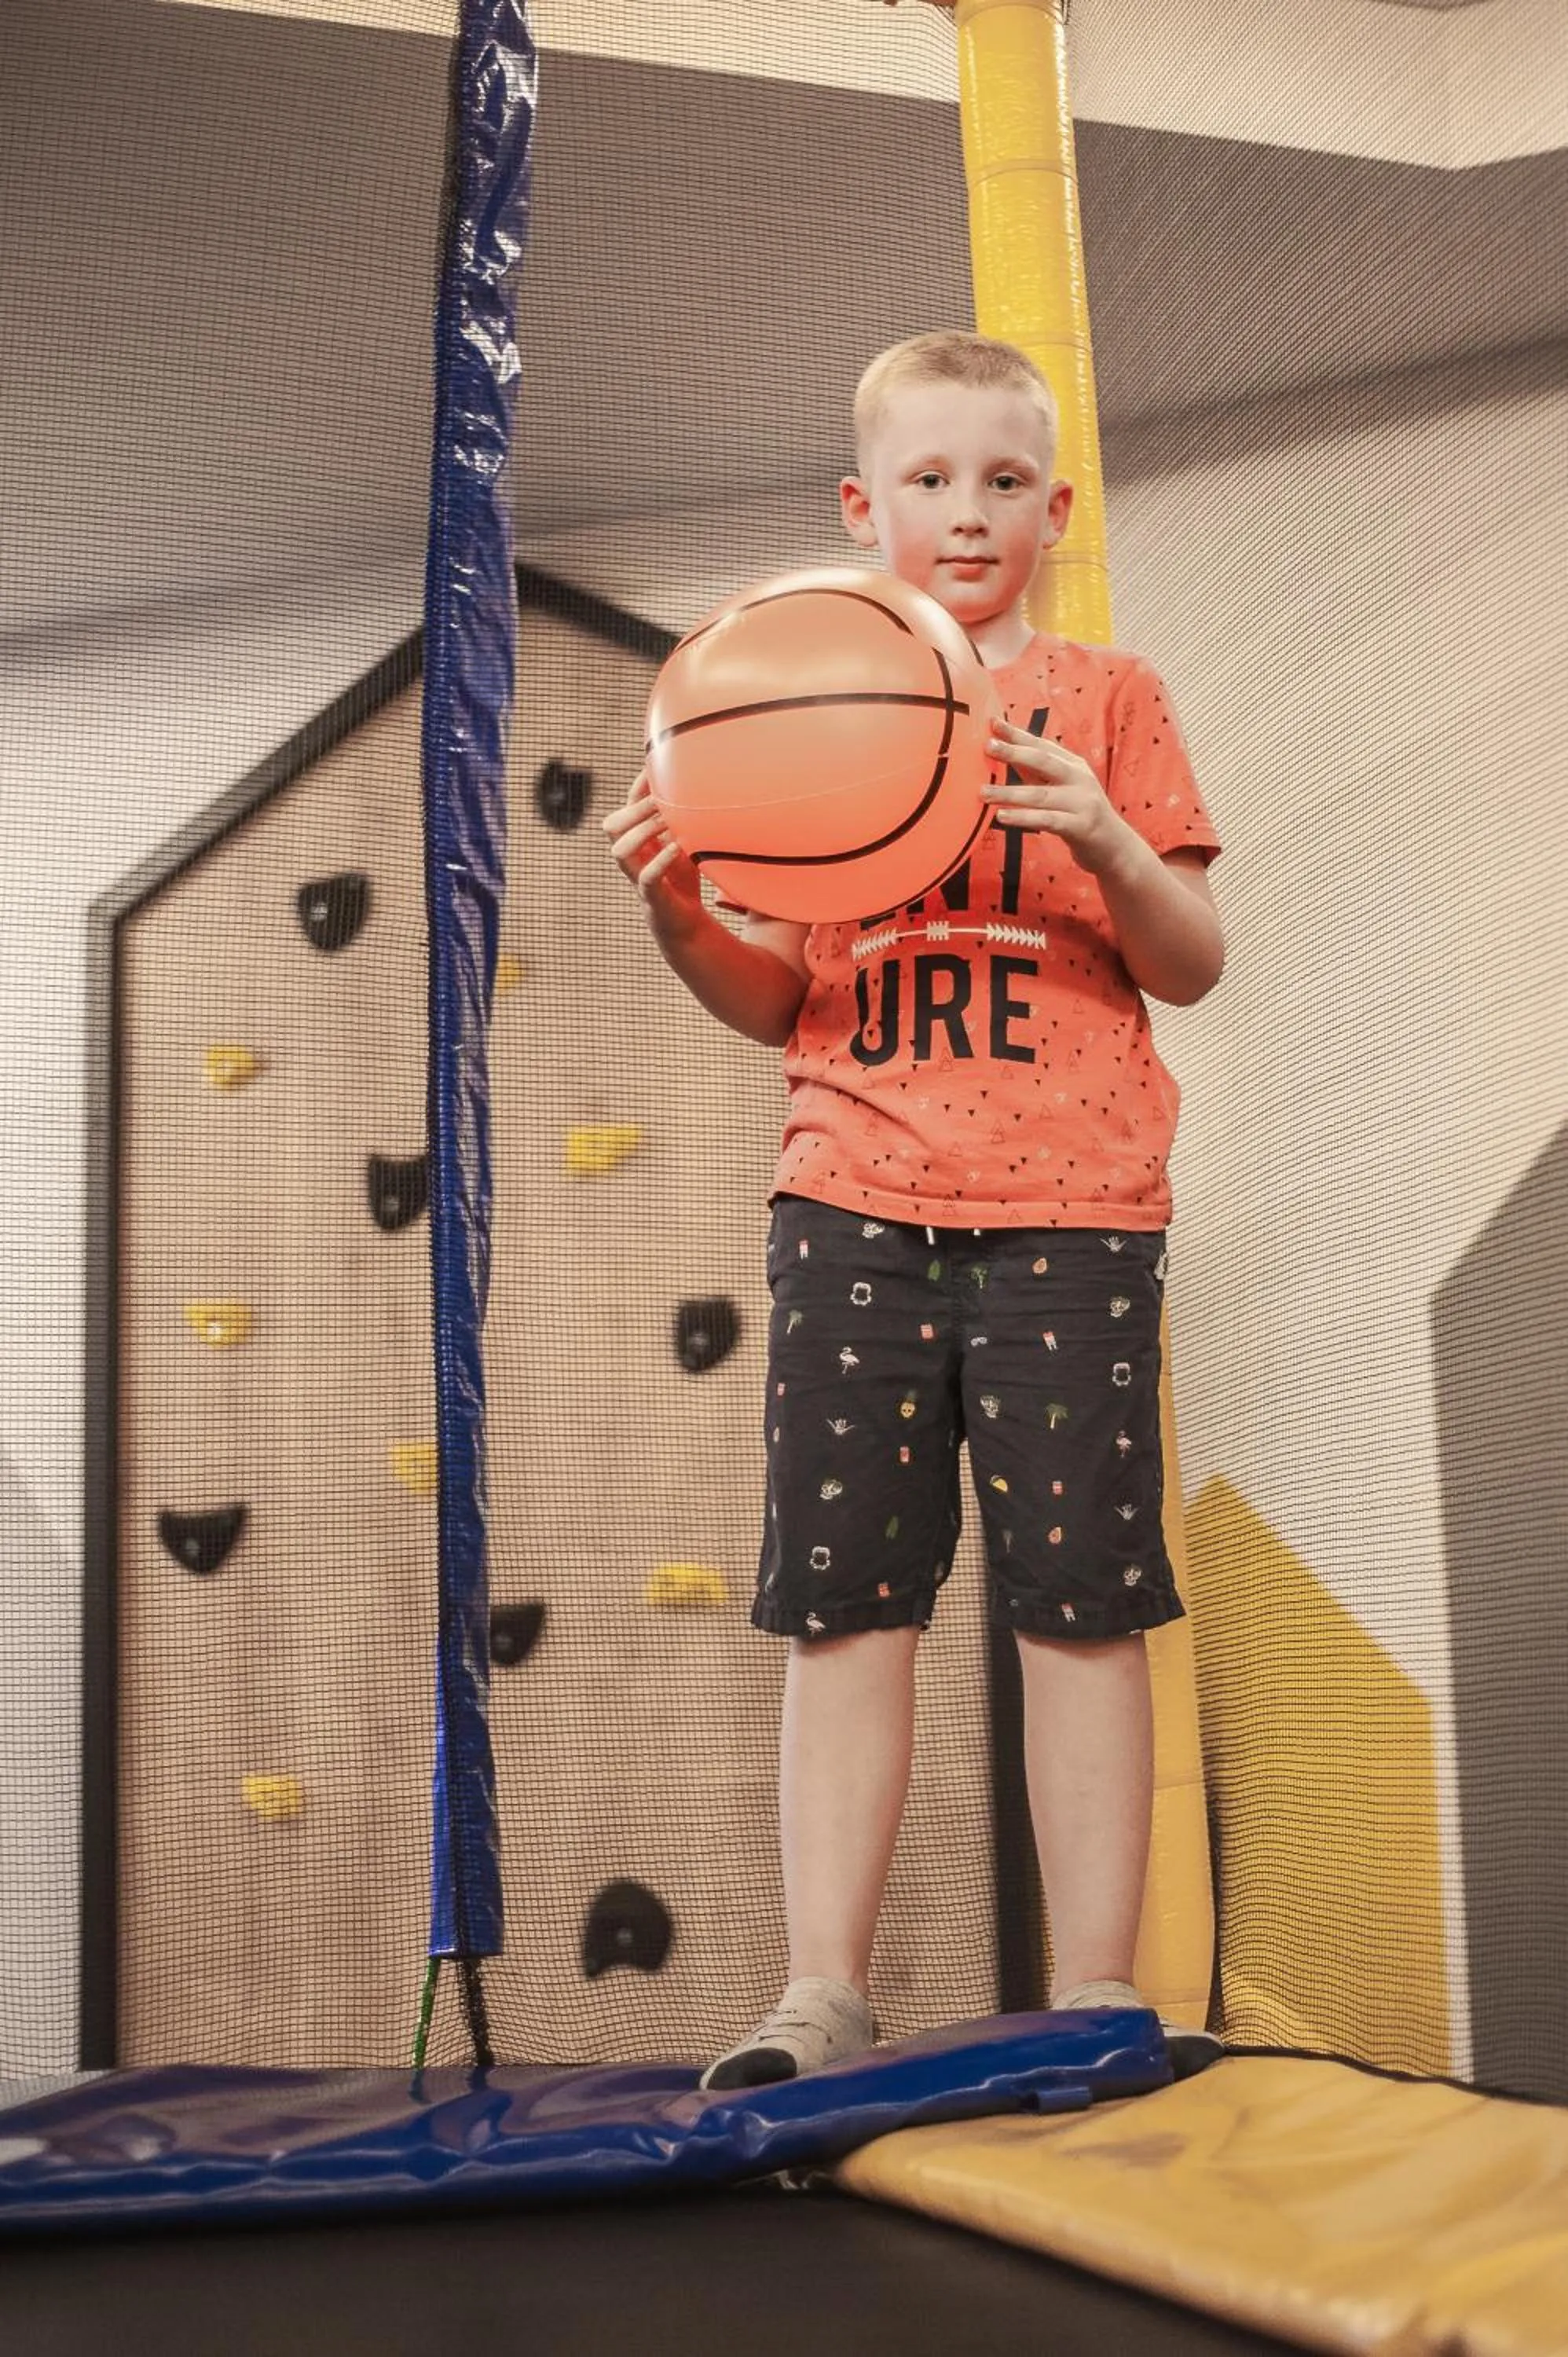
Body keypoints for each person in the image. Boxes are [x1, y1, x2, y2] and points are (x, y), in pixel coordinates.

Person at [604, 331, 1224, 2090]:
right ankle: (820, 1991)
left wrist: (1106, 840)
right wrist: (673, 911)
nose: (969, 513)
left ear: (1054, 505)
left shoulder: (1107, 696)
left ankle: (1098, 1989)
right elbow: (773, 997)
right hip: (852, 1199)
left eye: (1004, 482)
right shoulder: (801, 704)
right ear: (860, 507)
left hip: (1074, 1209)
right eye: (931, 481)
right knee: (845, 1599)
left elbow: (1186, 961)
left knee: (1079, 1601)